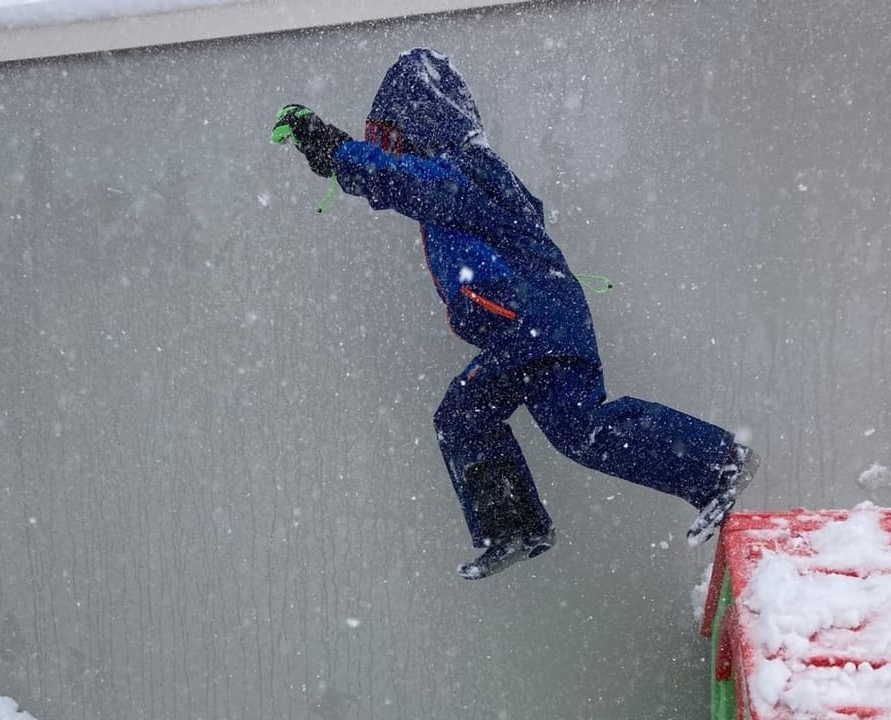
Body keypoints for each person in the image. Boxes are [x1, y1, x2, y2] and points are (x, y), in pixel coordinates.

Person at [272, 48, 760, 580]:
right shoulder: (464, 177)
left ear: (422, 123)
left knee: (465, 416)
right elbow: (401, 180)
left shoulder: (462, 174)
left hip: (534, 321)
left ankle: (535, 519)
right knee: (577, 430)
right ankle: (708, 469)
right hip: (533, 323)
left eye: (396, 138)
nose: (395, 152)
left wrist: (337, 150)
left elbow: (402, 179)